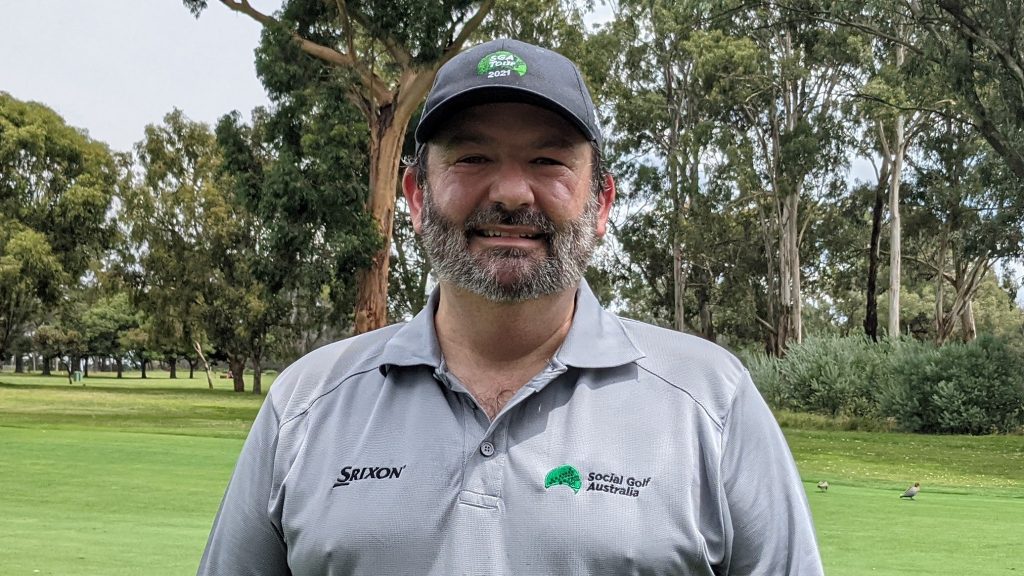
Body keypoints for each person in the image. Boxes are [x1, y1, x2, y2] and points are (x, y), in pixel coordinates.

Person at [196, 38, 824, 575]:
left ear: (601, 203)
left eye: (548, 161)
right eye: (473, 158)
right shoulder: (305, 403)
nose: (512, 192)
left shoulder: (711, 402)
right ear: (416, 196)